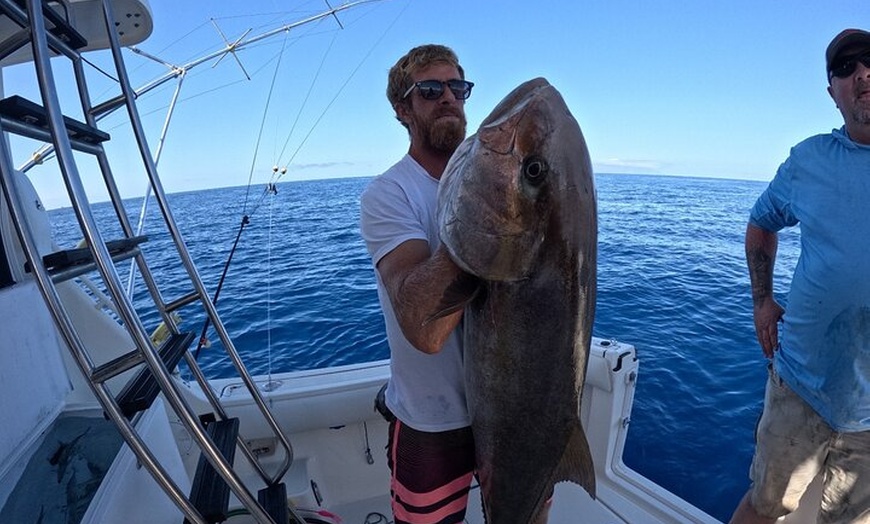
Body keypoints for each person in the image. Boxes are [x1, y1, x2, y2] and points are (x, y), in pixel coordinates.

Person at [729, 29, 870, 524]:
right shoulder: (807, 159)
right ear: (832, 91)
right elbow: (761, 222)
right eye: (846, 67)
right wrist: (761, 301)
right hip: (801, 387)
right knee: (764, 507)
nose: (862, 73)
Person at [359, 44, 478, 524]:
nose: (448, 98)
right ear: (403, 110)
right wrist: (482, 220)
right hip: (433, 422)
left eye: (458, 87)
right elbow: (426, 328)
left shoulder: (490, 179)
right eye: (430, 90)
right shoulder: (389, 194)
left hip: (510, 414)